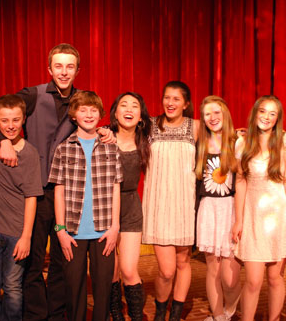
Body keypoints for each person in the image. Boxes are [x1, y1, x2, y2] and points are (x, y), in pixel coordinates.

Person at [0, 43, 113, 321]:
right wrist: (3, 141)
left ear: (78, 70)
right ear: (49, 69)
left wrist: (104, 130)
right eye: (58, 66)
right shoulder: (33, 95)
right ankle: (36, 315)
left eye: (70, 66)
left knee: (62, 261)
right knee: (31, 261)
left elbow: (92, 123)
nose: (64, 72)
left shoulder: (82, 100)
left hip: (68, 195)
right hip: (37, 193)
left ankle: (57, 314)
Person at [50, 91, 122, 321]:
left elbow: (115, 188)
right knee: (75, 293)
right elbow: (58, 190)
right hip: (73, 232)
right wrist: (60, 230)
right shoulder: (64, 148)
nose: (89, 115)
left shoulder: (111, 147)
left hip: (104, 231)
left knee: (103, 292)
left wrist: (115, 227)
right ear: (73, 114)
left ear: (100, 114)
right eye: (83, 110)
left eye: (93, 110)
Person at [0, 94, 43, 320]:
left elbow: (31, 197)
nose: (10, 126)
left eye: (16, 120)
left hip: (16, 233)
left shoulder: (31, 154)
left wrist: (26, 237)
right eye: (4, 120)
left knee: (13, 289)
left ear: (23, 119)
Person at [231, 95, 286, 321]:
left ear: (278, 119)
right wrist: (238, 220)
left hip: (278, 218)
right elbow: (240, 181)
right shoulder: (242, 142)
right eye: (262, 111)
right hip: (252, 218)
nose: (266, 117)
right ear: (255, 113)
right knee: (253, 280)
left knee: (276, 278)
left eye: (272, 113)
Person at [142, 80, 199, 321]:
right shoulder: (149, 126)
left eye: (176, 99)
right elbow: (119, 130)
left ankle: (175, 314)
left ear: (186, 104)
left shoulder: (196, 127)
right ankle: (159, 311)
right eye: (167, 97)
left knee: (183, 261)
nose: (170, 103)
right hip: (158, 204)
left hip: (185, 204)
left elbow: (224, 136)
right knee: (166, 271)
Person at [195, 96, 241, 321]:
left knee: (230, 277)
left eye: (216, 113)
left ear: (225, 114)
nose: (212, 118)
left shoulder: (238, 142)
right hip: (208, 209)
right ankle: (218, 315)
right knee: (212, 268)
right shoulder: (200, 145)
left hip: (231, 209)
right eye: (207, 114)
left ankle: (231, 309)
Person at [108, 92, 152, 321]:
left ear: (141, 115)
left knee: (127, 269)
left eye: (134, 105)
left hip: (131, 207)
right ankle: (116, 314)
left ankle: (136, 317)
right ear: (115, 112)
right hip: (105, 209)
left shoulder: (147, 140)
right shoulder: (104, 137)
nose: (128, 109)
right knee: (111, 272)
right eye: (123, 105)